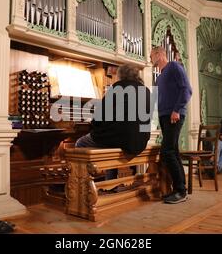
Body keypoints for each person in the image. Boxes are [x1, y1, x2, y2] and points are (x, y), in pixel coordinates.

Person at [75, 64, 152, 178]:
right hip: (141, 139)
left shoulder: (118, 87)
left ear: (121, 76)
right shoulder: (145, 91)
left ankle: (83, 183)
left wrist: (94, 124)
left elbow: (100, 116)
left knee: (80, 143)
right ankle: (109, 184)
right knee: (113, 139)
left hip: (121, 139)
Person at [150, 47, 192, 204]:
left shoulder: (174, 66)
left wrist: (176, 110)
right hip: (164, 117)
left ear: (159, 54)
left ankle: (180, 191)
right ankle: (181, 189)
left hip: (174, 115)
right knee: (172, 151)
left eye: (151, 55)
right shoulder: (159, 78)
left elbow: (187, 89)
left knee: (167, 151)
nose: (150, 58)